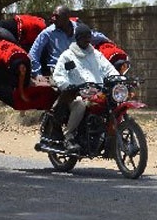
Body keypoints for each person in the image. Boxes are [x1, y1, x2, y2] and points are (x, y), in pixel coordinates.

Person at [51, 23, 119, 152]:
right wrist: (67, 86)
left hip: (96, 93)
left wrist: (118, 78)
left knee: (112, 103)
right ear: (77, 38)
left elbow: (109, 69)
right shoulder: (67, 56)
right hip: (75, 94)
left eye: (89, 37)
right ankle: (69, 136)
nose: (87, 40)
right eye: (84, 37)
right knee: (79, 103)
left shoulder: (96, 54)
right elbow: (59, 75)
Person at [28, 5, 110, 81]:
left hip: (80, 68)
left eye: (56, 16)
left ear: (66, 18)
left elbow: (93, 36)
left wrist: (108, 41)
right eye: (53, 15)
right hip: (59, 71)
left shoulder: (78, 29)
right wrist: (37, 73)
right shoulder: (48, 33)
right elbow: (33, 53)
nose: (52, 19)